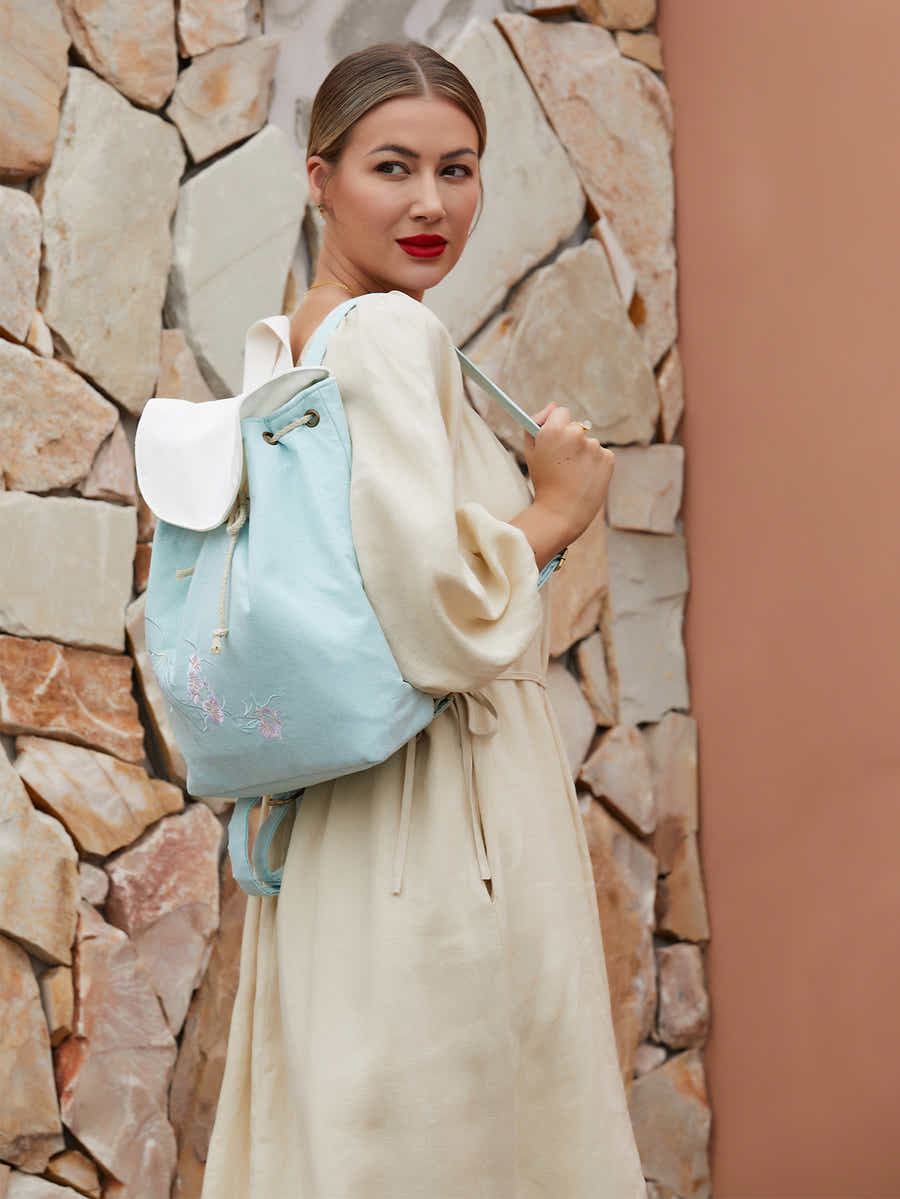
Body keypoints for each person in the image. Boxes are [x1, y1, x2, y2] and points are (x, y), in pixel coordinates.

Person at [201, 40, 647, 1199]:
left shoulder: (289, 345)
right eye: (391, 167)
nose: (429, 203)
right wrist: (556, 507)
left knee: (355, 1129)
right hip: (439, 825)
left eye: (459, 169)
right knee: (461, 1138)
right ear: (319, 178)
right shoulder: (390, 337)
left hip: (346, 818)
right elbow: (438, 612)